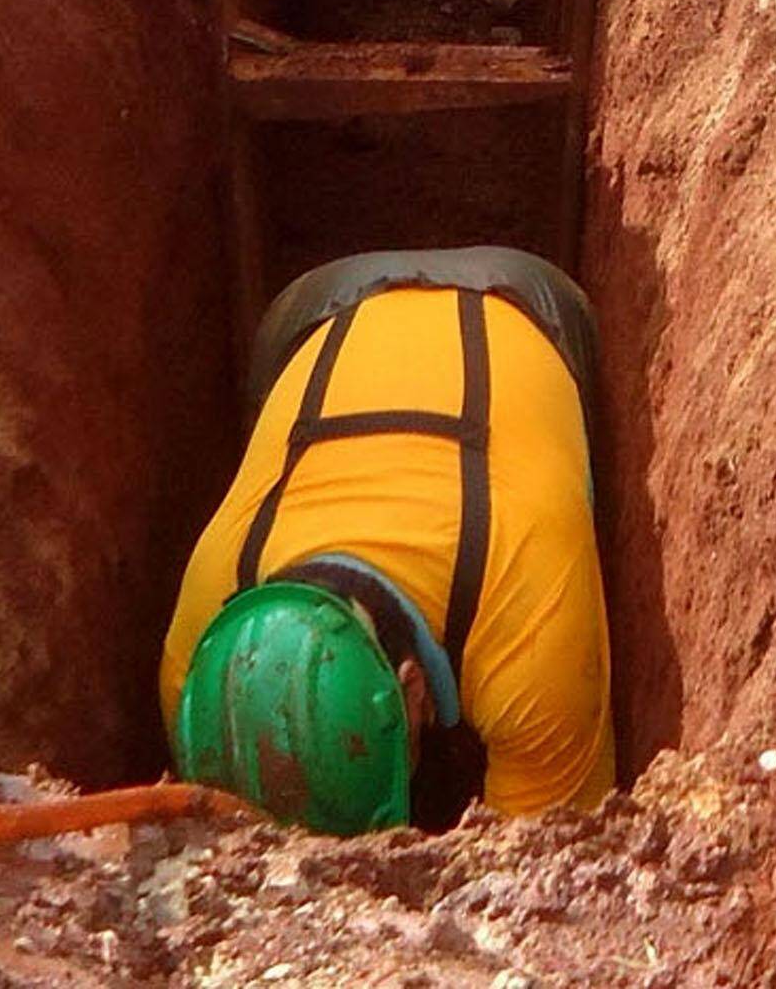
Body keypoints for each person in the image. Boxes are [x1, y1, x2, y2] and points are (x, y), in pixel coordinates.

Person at [162, 247, 614, 833]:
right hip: (307, 319)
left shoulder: (534, 632)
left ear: (412, 686)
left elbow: (551, 854)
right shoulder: (192, 675)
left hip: (525, 306)